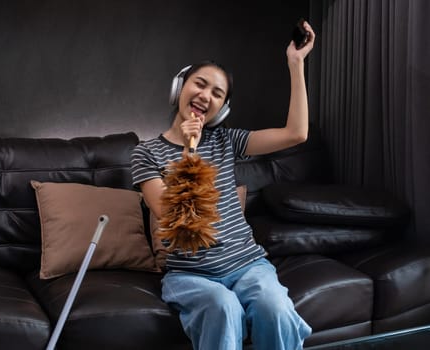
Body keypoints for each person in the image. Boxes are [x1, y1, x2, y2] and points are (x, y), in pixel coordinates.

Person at [131, 21, 316, 350]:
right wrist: (190, 149)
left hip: (248, 265)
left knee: (275, 308)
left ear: (222, 109)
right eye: (199, 84)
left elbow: (296, 133)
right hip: (190, 277)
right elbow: (174, 218)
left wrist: (296, 63)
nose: (205, 95)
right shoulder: (146, 153)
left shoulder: (227, 140)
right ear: (180, 88)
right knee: (223, 307)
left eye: (217, 93)